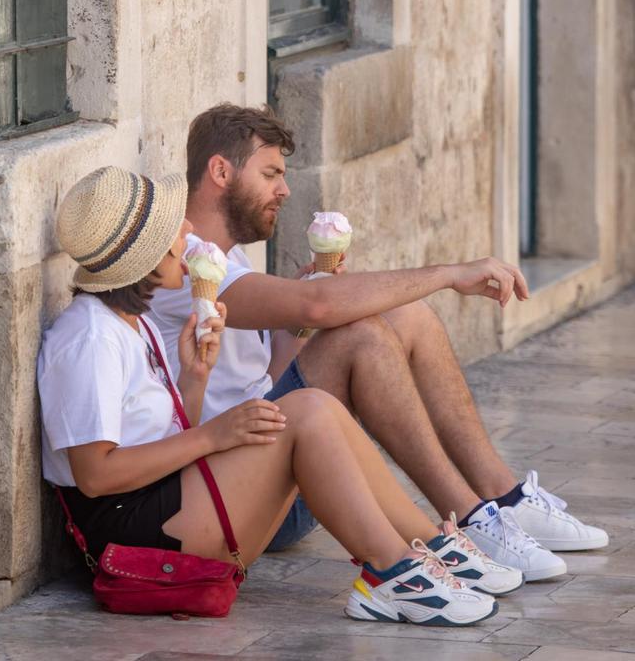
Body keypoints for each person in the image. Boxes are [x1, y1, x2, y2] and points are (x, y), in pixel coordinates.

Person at [38, 165, 522, 629]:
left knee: (319, 407)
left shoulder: (132, 322)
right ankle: (392, 573)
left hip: (167, 501)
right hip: (133, 531)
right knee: (305, 411)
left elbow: (161, 431)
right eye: (171, 229)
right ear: (148, 256)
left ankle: (428, 547)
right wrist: (214, 435)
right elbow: (97, 475)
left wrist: (194, 377)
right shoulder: (89, 337)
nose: (185, 228)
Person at [150, 104, 609, 582]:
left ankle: (502, 497)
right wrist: (450, 274)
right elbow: (318, 308)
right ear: (221, 171)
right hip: (240, 495)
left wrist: (297, 325)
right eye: (270, 175)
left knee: (405, 316)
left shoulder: (229, 257)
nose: (283, 190)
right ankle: (469, 520)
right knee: (362, 335)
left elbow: (269, 373)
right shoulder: (182, 268)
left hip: (290, 463)